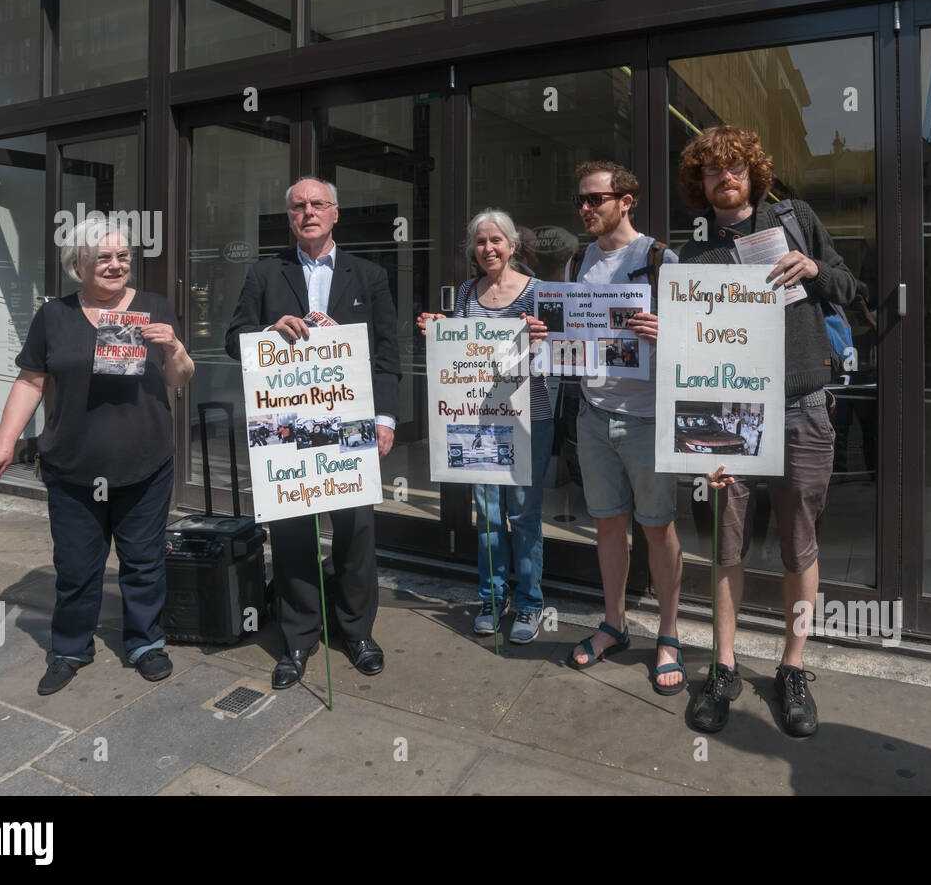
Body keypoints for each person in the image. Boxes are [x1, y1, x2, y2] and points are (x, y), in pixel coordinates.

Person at [676, 126, 856, 736]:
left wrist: (812, 268)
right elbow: (690, 349)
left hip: (804, 403)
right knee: (727, 543)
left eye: (734, 168)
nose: (724, 178)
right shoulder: (696, 252)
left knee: (799, 544)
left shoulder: (795, 218)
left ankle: (792, 667)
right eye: (711, 171)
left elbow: (849, 286)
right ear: (700, 184)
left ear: (753, 172)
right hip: (731, 417)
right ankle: (723, 667)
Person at [0, 219, 195, 695]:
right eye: (103, 257)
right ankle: (71, 647)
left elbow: (179, 379)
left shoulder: (154, 307)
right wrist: (3, 441)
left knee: (142, 561)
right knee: (76, 566)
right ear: (77, 265)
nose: (116, 265)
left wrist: (175, 347)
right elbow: (31, 381)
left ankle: (145, 643)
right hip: (73, 467)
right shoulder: (53, 316)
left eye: (122, 256)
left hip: (145, 461)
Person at [226, 176, 401, 688]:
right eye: (299, 206)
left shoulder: (367, 275)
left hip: (349, 420)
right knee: (292, 530)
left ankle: (356, 631)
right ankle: (298, 637)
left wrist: (385, 419)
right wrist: (266, 333)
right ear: (290, 217)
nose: (308, 213)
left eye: (318, 204)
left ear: (335, 213)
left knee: (356, 530)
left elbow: (388, 354)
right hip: (286, 423)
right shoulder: (265, 273)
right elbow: (234, 341)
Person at [563, 161, 687, 696]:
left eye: (596, 199)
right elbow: (569, 332)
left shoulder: (660, 259)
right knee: (608, 525)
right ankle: (614, 624)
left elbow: (703, 340)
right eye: (582, 201)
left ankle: (669, 634)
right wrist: (545, 330)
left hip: (649, 417)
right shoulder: (575, 262)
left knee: (657, 529)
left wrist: (671, 330)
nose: (587, 208)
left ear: (626, 200)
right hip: (593, 414)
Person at [417, 210, 552, 643]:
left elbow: (558, 357)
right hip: (477, 417)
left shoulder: (537, 293)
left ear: (513, 245)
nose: (488, 248)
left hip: (529, 416)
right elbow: (462, 350)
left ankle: (530, 604)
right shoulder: (466, 291)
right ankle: (492, 598)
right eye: (480, 242)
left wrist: (541, 340)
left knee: (524, 514)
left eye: (496, 240)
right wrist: (441, 328)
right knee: (488, 514)